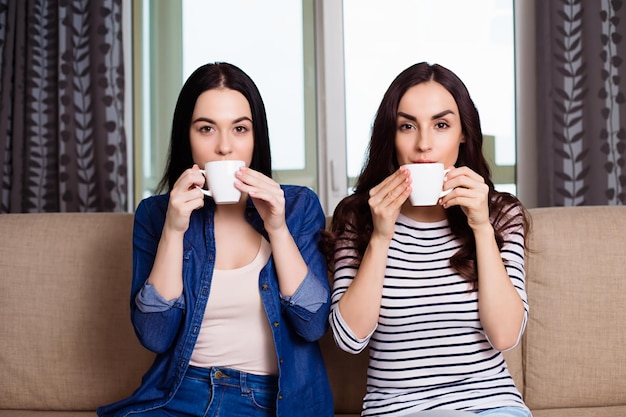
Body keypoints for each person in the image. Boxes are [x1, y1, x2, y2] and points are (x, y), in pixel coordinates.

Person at [97, 62, 333, 417]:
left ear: (256, 137)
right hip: (180, 394)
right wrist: (174, 231)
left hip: (268, 400)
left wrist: (278, 229)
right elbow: (155, 336)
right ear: (186, 137)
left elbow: (312, 324)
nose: (224, 147)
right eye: (206, 128)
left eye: (240, 128)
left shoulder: (297, 206)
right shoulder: (156, 215)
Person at [321, 62, 532, 417]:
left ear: (463, 133)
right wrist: (381, 235)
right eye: (407, 126)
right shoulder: (358, 217)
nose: (423, 144)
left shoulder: (499, 214)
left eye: (441, 125)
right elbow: (349, 338)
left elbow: (506, 335)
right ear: (392, 136)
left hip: (491, 407)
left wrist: (481, 227)